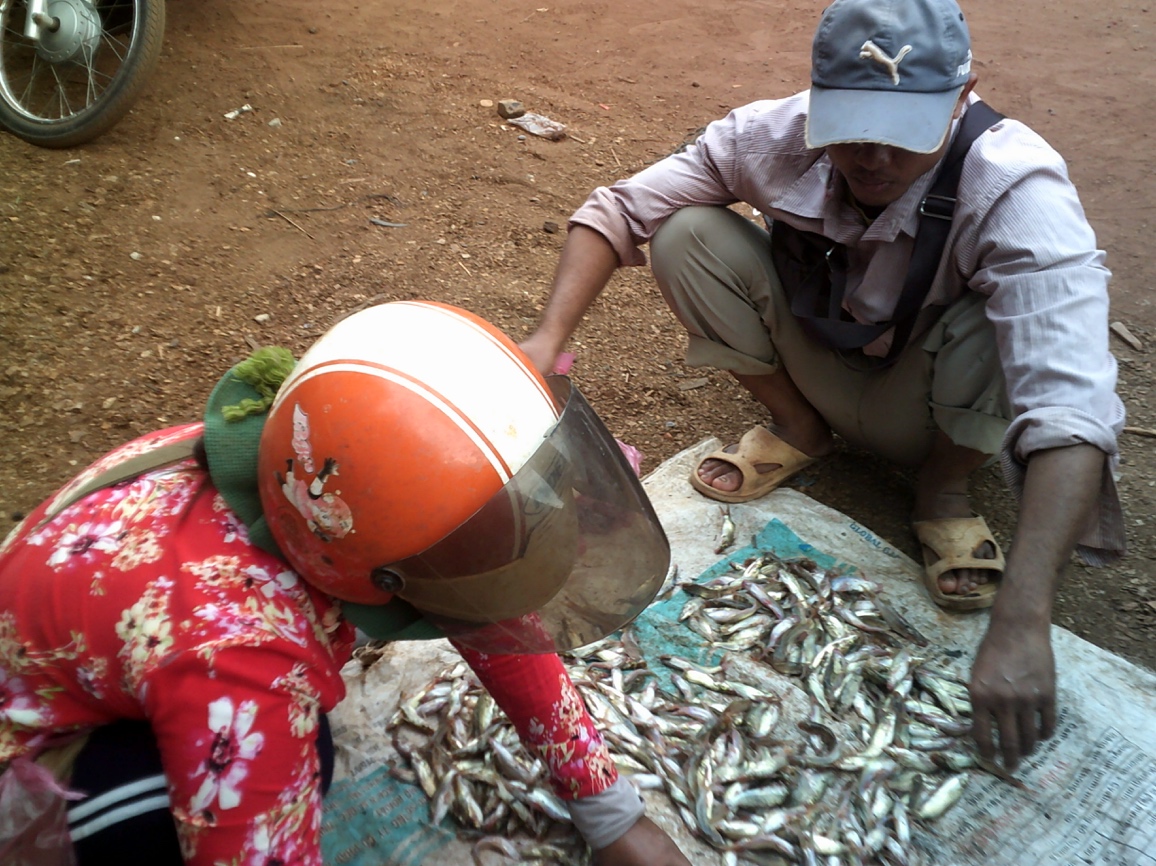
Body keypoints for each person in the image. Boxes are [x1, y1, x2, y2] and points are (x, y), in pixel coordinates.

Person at [519, 0, 1125, 773]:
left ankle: (941, 489)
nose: (872, 155)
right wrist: (546, 343)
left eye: (902, 131)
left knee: (1005, 322)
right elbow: (619, 208)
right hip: (820, 353)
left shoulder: (1016, 186)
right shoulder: (773, 134)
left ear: (964, 94)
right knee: (685, 234)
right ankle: (800, 428)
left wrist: (1025, 615)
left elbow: (1071, 408)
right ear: (817, 93)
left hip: (932, 395)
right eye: (853, 124)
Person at [0, 301, 692, 866]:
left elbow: (485, 613)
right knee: (291, 758)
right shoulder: (250, 661)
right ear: (376, 575)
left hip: (127, 645)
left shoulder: (316, 455)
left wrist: (606, 808)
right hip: (27, 751)